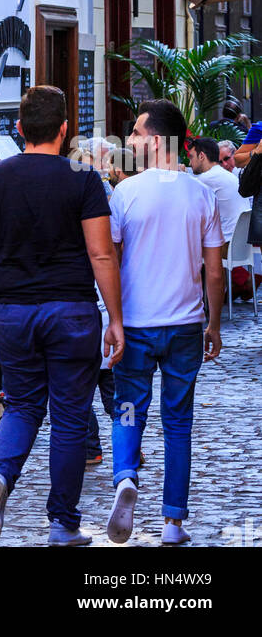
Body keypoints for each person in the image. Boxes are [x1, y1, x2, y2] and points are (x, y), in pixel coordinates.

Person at [0, 85, 124, 547]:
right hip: (72, 311)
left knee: (21, 406)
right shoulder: (82, 178)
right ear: (64, 129)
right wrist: (114, 317)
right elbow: (101, 256)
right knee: (71, 416)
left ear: (18, 129)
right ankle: (62, 523)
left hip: (14, 311)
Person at [106, 100, 224, 548]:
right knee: (178, 422)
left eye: (136, 133)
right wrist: (213, 324)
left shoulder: (126, 193)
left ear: (156, 140)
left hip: (136, 324)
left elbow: (110, 261)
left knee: (128, 407)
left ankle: (125, 477)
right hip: (184, 326)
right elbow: (214, 271)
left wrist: (114, 318)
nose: (131, 141)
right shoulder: (202, 194)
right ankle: (173, 521)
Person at [186, 135, 251, 245]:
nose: (189, 163)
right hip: (241, 242)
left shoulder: (208, 178)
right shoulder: (224, 175)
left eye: (191, 157)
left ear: (201, 156)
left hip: (227, 243)